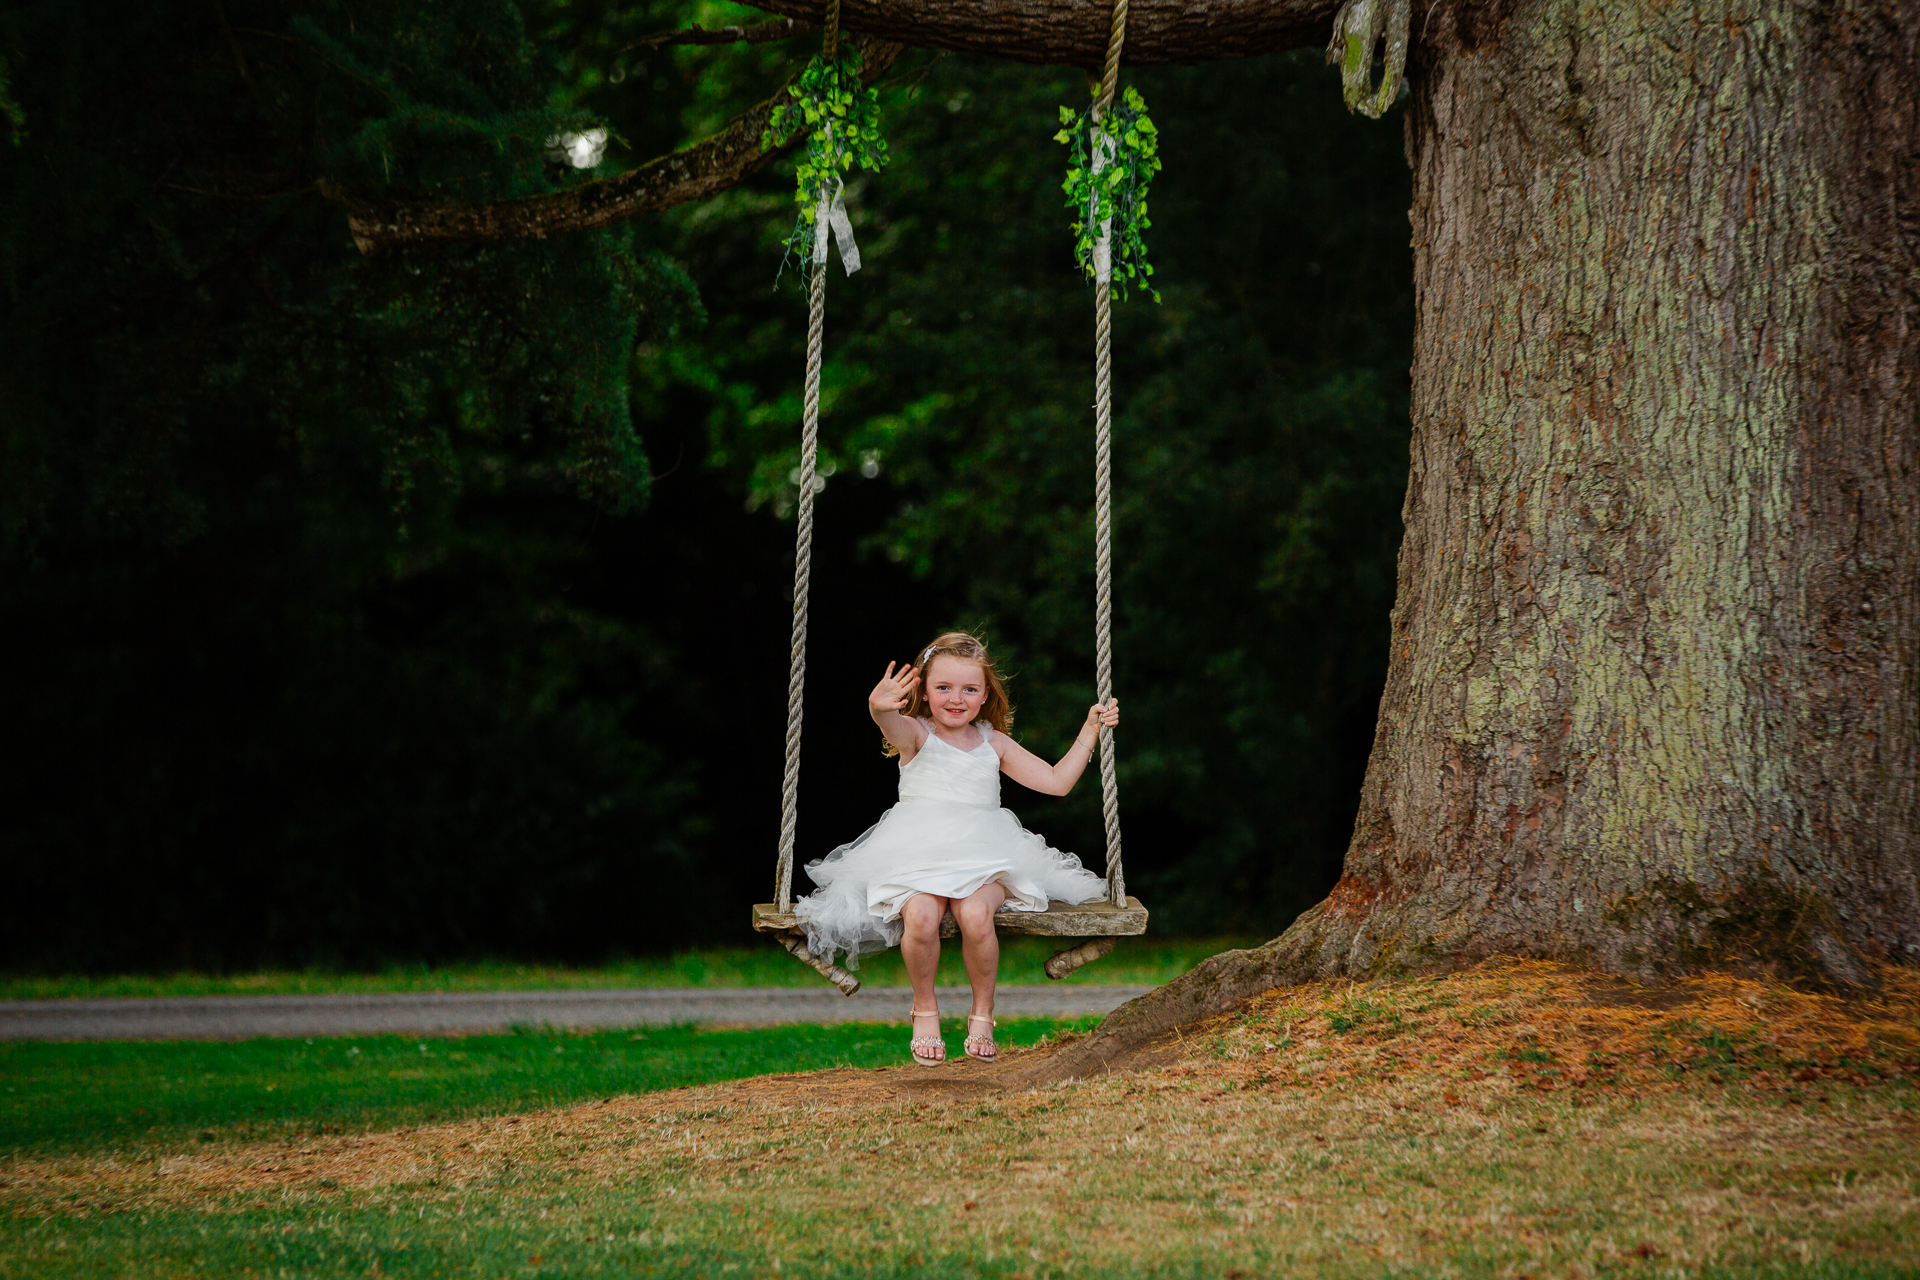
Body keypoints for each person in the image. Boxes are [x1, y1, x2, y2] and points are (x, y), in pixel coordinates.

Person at [792, 631, 1119, 1066]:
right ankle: (924, 1009)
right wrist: (878, 706)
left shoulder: (992, 743)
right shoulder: (916, 736)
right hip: (916, 852)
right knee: (923, 917)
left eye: (969, 689)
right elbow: (889, 721)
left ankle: (983, 1013)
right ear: (924, 692)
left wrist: (1090, 729)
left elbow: (1057, 783)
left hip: (986, 853)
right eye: (943, 687)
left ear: (985, 696)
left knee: (975, 914)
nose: (956, 698)